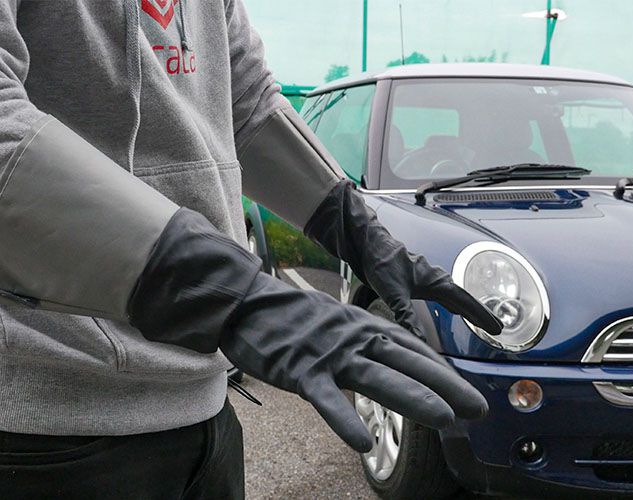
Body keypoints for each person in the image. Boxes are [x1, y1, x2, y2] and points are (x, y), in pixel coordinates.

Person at [0, 1, 502, 498]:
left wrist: (358, 231)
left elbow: (245, 99)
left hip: (204, 408)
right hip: (46, 432)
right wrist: (231, 296)